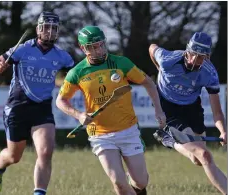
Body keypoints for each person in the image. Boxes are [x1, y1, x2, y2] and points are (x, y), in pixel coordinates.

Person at [56, 26, 166, 195]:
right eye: (92, 47)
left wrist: (158, 109)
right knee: (118, 183)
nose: (98, 49)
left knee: (141, 182)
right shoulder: (77, 73)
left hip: (128, 130)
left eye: (100, 44)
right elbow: (60, 100)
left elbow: (148, 83)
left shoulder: (121, 63)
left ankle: (133, 180)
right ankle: (124, 183)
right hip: (99, 134)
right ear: (83, 48)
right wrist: (78, 115)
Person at [0, 11, 74, 195]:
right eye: (46, 27)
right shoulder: (23, 48)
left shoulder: (62, 56)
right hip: (17, 107)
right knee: (14, 157)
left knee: (45, 152)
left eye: (54, 29)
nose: (49, 32)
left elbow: (78, 74)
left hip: (42, 108)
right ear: (38, 29)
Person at [149, 32, 227, 194]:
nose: (193, 60)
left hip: (192, 107)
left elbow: (217, 111)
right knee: (204, 155)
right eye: (192, 54)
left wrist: (223, 131)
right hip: (168, 107)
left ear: (207, 57)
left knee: (198, 159)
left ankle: (169, 140)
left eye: (200, 57)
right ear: (187, 50)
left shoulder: (210, 74)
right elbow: (152, 48)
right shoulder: (168, 60)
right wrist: (159, 69)